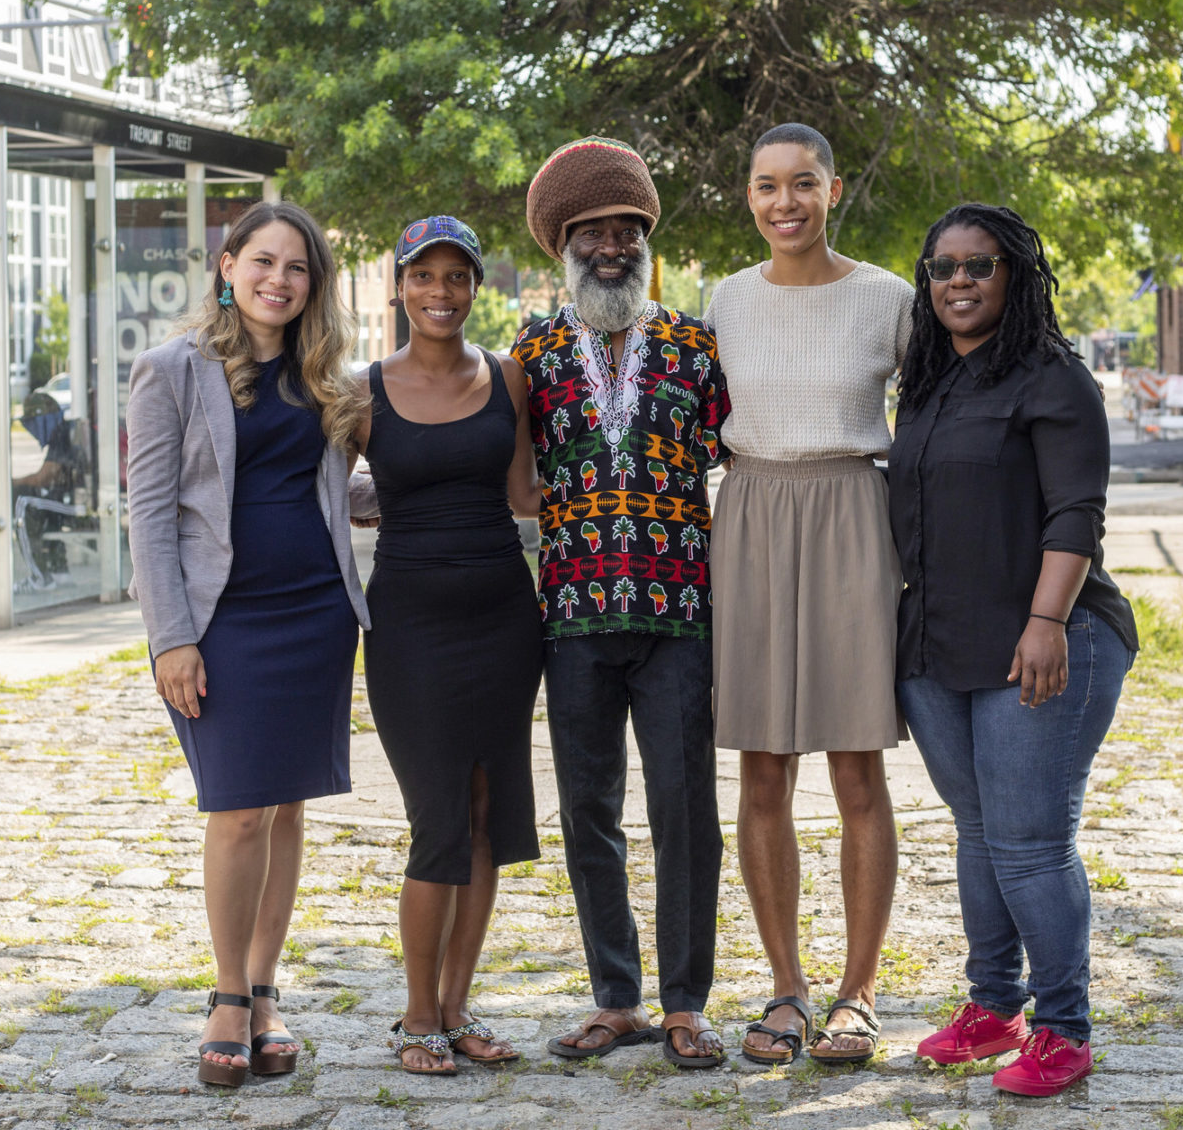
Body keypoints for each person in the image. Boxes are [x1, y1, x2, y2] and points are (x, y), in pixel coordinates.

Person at [890, 203, 1138, 1097]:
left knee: (1031, 842)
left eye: (979, 266)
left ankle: (1063, 1030)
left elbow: (1076, 513)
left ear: (1015, 275)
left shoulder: (1052, 378)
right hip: (938, 646)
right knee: (979, 830)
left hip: (1046, 640)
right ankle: (993, 1008)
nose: (959, 281)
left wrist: (1045, 623)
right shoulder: (926, 381)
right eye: (943, 266)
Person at [126, 201, 369, 1088]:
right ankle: (228, 995)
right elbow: (148, 514)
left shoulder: (328, 376)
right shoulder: (169, 370)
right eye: (262, 261)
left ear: (315, 284)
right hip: (220, 622)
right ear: (227, 267)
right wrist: (171, 638)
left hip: (315, 614)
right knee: (236, 812)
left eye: (297, 267)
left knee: (289, 808)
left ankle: (267, 990)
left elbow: (344, 487)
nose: (278, 279)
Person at [511, 137, 731, 1068]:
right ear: (563, 247)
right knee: (586, 811)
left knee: (686, 811)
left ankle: (685, 1002)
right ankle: (616, 997)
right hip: (572, 623)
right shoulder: (531, 351)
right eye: (591, 232)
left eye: (626, 230)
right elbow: (505, 475)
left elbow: (751, 460)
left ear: (648, 240)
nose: (610, 245)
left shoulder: (694, 346)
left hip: (679, 618)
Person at [705, 123, 911, 1067]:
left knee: (858, 770)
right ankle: (784, 987)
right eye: (764, 186)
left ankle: (858, 993)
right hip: (749, 514)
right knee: (762, 770)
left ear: (833, 191)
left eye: (801, 184)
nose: (782, 203)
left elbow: (946, 413)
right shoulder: (723, 302)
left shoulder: (888, 301)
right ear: (747, 197)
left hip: (850, 510)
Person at [358, 216, 544, 1075]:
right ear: (400, 285)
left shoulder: (510, 377)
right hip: (410, 630)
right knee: (437, 815)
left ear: (476, 286)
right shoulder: (362, 392)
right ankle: (416, 1016)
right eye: (423, 277)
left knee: (485, 811)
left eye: (456, 277)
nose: (440, 293)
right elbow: (321, 496)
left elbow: (525, 496)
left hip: (505, 621)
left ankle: (460, 1008)